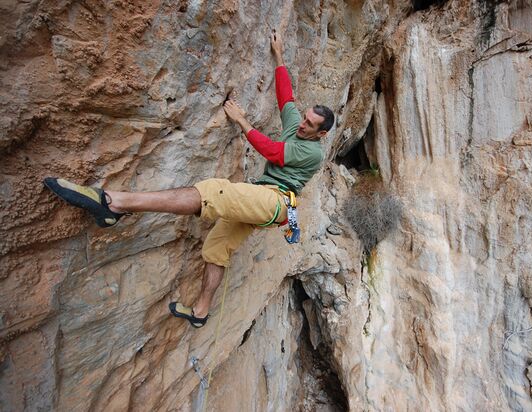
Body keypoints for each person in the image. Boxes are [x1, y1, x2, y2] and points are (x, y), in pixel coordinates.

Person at [43, 30, 335, 328]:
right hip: (264, 200)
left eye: (310, 124)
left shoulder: (312, 152)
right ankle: (200, 312)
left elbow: (272, 152)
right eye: (304, 118)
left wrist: (241, 120)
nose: (301, 124)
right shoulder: (297, 126)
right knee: (216, 248)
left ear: (321, 134)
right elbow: (286, 96)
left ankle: (114, 203)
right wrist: (279, 55)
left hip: (276, 201)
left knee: (213, 191)